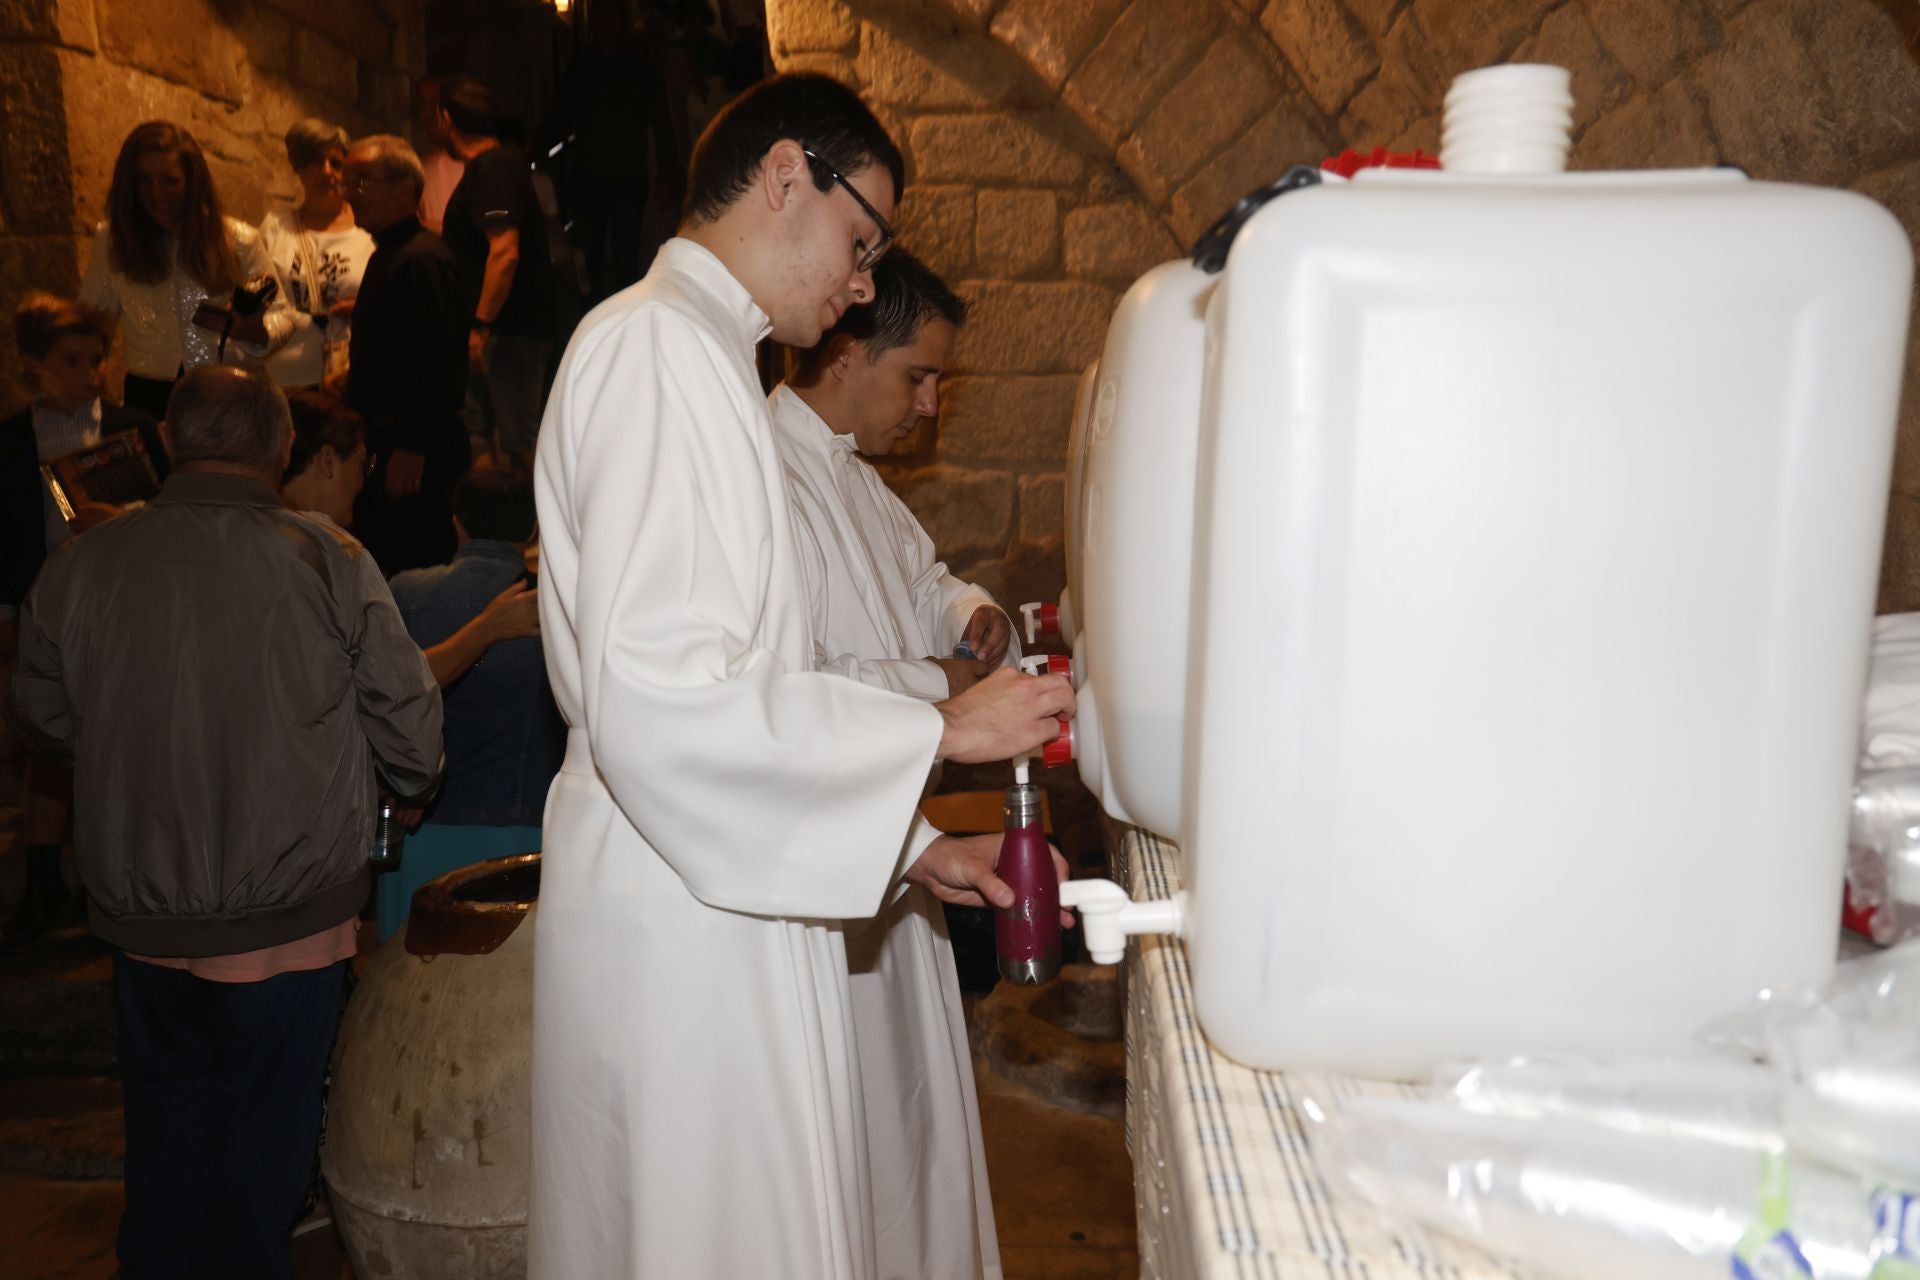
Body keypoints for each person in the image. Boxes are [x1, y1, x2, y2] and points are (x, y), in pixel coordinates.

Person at [528, 73, 1074, 1278]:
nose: (866, 282)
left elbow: (735, 679)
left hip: (716, 879)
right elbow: (668, 704)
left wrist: (906, 846)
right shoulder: (658, 350)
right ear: (786, 175)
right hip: (683, 914)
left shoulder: (702, 356)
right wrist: (937, 731)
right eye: (861, 237)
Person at [6, 364, 443, 1278]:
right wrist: (403, 788)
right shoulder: (328, 557)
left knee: (166, 1162)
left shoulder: (83, 563)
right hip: (288, 923)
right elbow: (412, 729)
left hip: (142, 919)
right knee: (260, 1176)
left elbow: (43, 717)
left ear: (168, 443)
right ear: (283, 450)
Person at [774, 247, 1019, 1279]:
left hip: (895, 850)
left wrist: (977, 616)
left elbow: (926, 578)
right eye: (917, 376)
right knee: (852, 1146)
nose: (927, 405)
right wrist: (944, 691)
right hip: (818, 874)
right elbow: (791, 682)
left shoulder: (858, 483)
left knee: (912, 1132)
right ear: (842, 353)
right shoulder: (763, 475)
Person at [0, 294, 164, 951]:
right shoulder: (13, 440)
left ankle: (115, 881)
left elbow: (168, 513)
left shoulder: (133, 425)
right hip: (49, 601)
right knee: (50, 742)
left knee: (122, 741)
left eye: (97, 361)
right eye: (71, 361)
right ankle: (44, 880)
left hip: (125, 605)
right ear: (32, 364)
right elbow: (6, 537)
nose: (89, 373)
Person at [381, 463, 556, 940]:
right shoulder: (555, 605)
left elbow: (384, 697)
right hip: (522, 836)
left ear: (456, 521)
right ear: (535, 528)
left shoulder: (404, 592)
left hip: (420, 831)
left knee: (410, 991)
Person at [79, 121, 289, 419]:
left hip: (225, 389)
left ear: (193, 181)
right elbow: (92, 322)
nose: (156, 194)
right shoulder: (113, 240)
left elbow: (284, 314)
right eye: (143, 181)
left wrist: (257, 331)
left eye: (170, 181)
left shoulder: (238, 238)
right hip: (148, 394)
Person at [341, 133, 473, 574]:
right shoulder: (395, 255)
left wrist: (413, 444)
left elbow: (434, 358)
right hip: (396, 439)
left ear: (404, 189)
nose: (348, 193)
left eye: (362, 181)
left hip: (414, 450)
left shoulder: (419, 259)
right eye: (348, 181)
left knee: (411, 570)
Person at [437, 76, 558, 464]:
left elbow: (505, 251)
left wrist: (480, 326)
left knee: (518, 447)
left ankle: (529, 522)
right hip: (508, 333)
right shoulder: (497, 166)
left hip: (508, 334)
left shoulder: (493, 168)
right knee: (507, 444)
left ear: (446, 118)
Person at [258, 119, 375, 390]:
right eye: (314, 161)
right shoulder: (277, 226)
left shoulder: (369, 232)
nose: (325, 172)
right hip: (286, 379)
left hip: (349, 376)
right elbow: (257, 292)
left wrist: (366, 308)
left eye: (335, 163)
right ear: (298, 167)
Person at [281, 386, 371, 529]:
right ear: (328, 460)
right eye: (364, 463)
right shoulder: (319, 546)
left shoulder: (249, 526)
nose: (361, 485)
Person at [413, 77, 466, 236]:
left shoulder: (478, 162)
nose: (430, 112)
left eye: (436, 102)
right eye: (423, 103)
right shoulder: (415, 166)